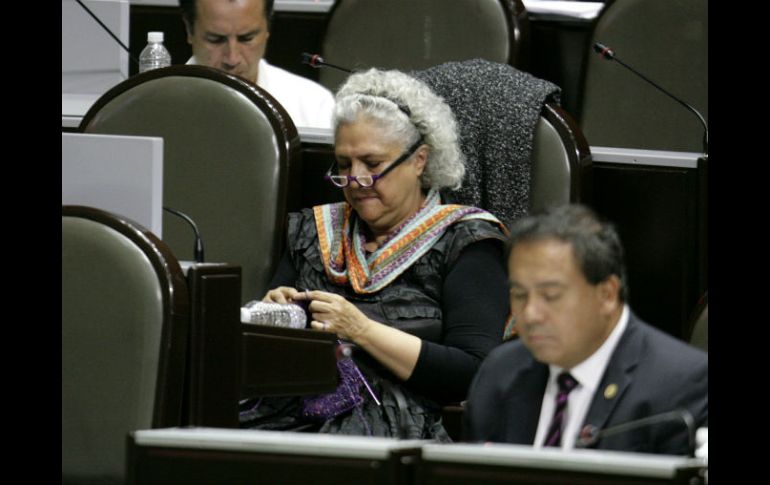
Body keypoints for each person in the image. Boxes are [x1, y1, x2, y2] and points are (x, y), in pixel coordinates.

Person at [239, 68, 510, 440]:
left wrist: (361, 330)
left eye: (373, 164)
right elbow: (260, 353)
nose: (355, 181)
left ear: (419, 160)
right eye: (345, 165)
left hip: (402, 426)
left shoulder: (465, 240)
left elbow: (474, 371)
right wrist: (275, 314)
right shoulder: (313, 231)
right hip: (290, 411)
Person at [465, 205, 707, 455]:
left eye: (551, 295)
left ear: (607, 294)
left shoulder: (683, 383)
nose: (529, 314)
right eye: (519, 294)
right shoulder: (500, 372)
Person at [180, 0, 334, 129]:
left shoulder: (313, 106)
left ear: (268, 27)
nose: (232, 59)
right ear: (189, 29)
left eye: (246, 38)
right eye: (215, 39)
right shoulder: (158, 105)